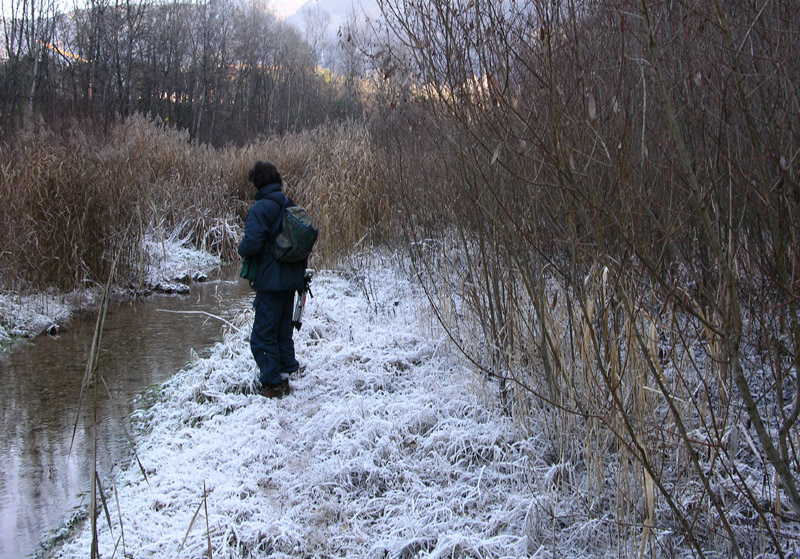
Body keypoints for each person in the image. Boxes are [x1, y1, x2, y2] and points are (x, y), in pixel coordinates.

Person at [238, 160, 307, 398]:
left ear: (257, 183)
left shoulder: (260, 209)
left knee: (263, 334)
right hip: (291, 281)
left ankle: (272, 384)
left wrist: (241, 248)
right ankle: (285, 376)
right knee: (281, 331)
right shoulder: (289, 204)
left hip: (271, 281)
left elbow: (252, 244)